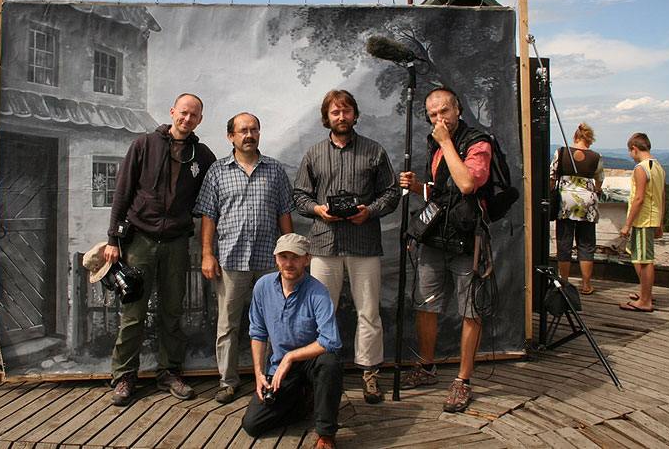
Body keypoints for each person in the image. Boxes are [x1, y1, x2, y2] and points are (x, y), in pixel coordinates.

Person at [105, 93, 216, 405]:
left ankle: (169, 371)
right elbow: (122, 191)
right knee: (133, 313)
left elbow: (212, 194)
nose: (187, 119)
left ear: (200, 119)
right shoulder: (144, 144)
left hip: (177, 242)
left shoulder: (202, 155)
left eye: (194, 115)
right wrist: (113, 239)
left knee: (172, 311)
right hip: (139, 239)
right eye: (183, 113)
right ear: (172, 113)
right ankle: (125, 376)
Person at [293, 89, 399, 404]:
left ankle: (370, 376)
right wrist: (317, 210)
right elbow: (300, 196)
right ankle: (322, 376)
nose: (342, 117)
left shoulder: (374, 151)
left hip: (364, 243)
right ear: (327, 117)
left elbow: (391, 193)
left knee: (368, 312)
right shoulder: (313, 154)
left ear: (355, 114)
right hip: (324, 244)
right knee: (321, 314)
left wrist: (370, 211)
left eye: (347, 111)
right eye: (335, 112)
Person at [398, 87, 492, 413]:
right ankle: (426, 366)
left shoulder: (478, 143)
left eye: (444, 112)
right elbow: (445, 192)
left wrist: (446, 143)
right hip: (436, 236)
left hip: (467, 240)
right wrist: (417, 187)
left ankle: (462, 382)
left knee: (470, 309)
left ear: (458, 110)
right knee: (426, 303)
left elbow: (467, 184)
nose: (439, 119)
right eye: (433, 114)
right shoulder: (435, 145)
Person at [193, 112, 295, 404]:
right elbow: (208, 217)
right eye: (243, 131)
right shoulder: (216, 172)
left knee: (277, 321)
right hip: (230, 261)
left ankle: (277, 378)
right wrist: (207, 254)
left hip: (268, 262)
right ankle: (227, 382)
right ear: (231, 137)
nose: (249, 135)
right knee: (228, 325)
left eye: (254, 130)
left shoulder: (274, 171)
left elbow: (285, 214)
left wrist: (288, 254)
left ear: (259, 134)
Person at [242, 233, 343, 449]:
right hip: (279, 365)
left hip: (310, 362)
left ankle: (326, 433)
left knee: (330, 364)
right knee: (252, 424)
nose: (288, 264)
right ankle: (306, 400)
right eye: (283, 257)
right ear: (276, 258)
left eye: (295, 257)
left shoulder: (318, 292)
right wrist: (259, 373)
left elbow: (330, 341)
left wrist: (291, 356)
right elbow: (257, 332)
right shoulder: (263, 286)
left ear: (307, 259)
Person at [550, 123, 605, 295]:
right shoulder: (596, 157)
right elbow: (599, 180)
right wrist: (594, 190)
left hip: (565, 202)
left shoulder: (562, 152)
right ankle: (586, 285)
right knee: (586, 244)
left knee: (564, 242)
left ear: (575, 137)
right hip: (587, 203)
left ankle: (564, 283)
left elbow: (552, 175)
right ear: (590, 139)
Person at [619, 132, 665, 313]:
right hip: (652, 217)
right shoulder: (659, 167)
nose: (631, 155)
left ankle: (645, 301)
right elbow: (662, 197)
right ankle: (645, 293)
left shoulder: (641, 168)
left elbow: (638, 198)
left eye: (630, 151)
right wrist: (660, 223)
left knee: (645, 261)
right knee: (639, 257)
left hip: (643, 219)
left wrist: (627, 225)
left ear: (635, 149)